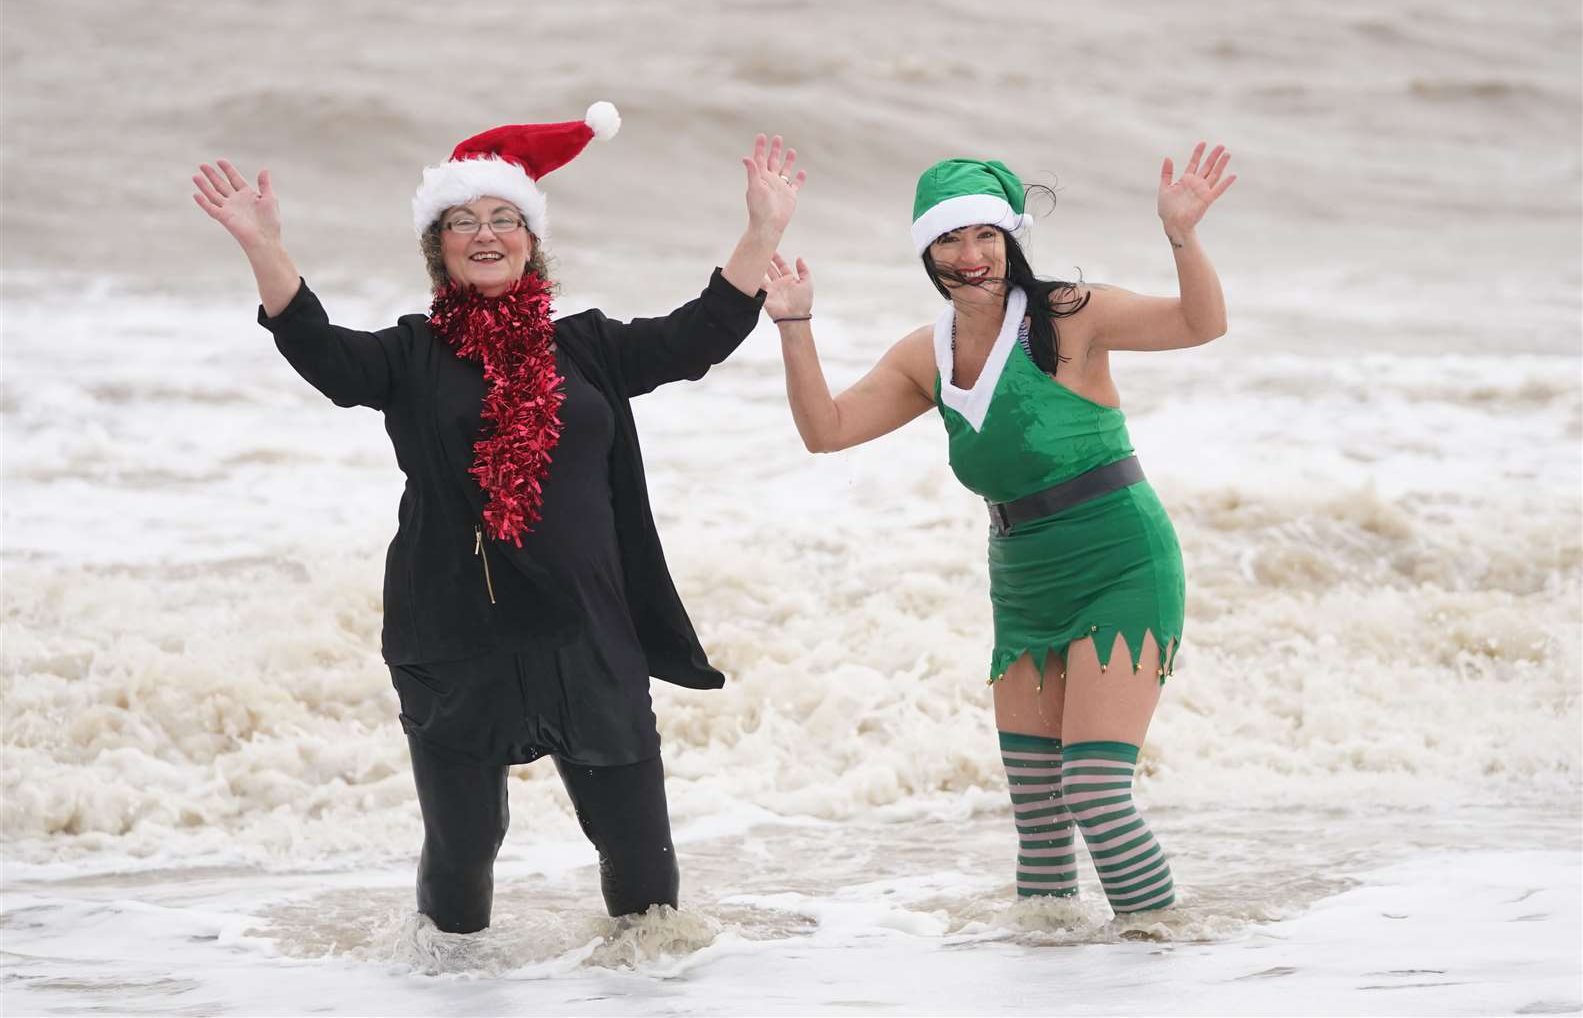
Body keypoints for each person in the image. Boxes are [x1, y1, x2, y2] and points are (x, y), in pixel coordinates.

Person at [191, 104, 808, 933]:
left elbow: (693, 336)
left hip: (587, 627)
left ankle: (646, 990)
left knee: (638, 852)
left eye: (504, 218)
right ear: (437, 249)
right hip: (453, 631)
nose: (486, 233)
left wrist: (761, 229)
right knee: (464, 844)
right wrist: (263, 246)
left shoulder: (587, 345)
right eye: (462, 221)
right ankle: (450, 986)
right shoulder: (410, 354)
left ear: (531, 240)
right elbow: (322, 353)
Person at [763, 143, 1234, 914]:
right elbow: (827, 429)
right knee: (1039, 815)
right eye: (950, 239)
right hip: (1023, 580)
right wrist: (794, 325)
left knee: (1094, 793)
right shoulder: (927, 355)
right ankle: (1046, 974)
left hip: (1120, 562)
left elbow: (1199, 324)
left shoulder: (1068, 315)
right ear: (928, 251)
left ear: (1009, 240)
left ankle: (1158, 957)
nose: (971, 255)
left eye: (986, 236)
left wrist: (1181, 234)